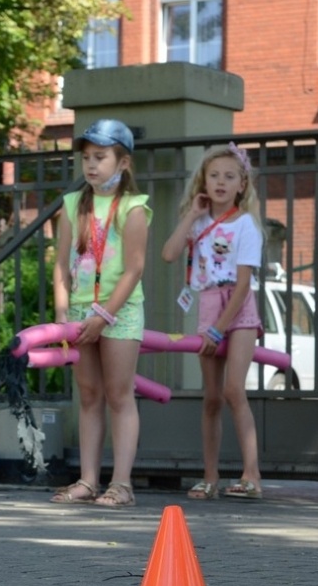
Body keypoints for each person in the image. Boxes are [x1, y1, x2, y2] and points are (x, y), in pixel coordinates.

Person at [49, 119, 151, 508]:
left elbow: (134, 269)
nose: (91, 166)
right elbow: (61, 265)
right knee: (89, 394)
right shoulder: (73, 205)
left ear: (123, 163)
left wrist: (104, 316)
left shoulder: (133, 208)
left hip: (118, 313)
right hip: (78, 312)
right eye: (86, 158)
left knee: (119, 394)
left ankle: (121, 483)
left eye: (101, 157)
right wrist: (63, 316)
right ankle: (88, 480)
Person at [161, 143, 265, 501]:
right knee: (211, 398)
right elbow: (169, 253)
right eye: (214, 175)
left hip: (237, 308)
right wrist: (191, 216)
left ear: (242, 184)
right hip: (207, 302)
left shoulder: (246, 225)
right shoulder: (200, 223)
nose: (221, 182)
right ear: (204, 181)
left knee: (234, 390)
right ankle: (210, 477)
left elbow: (242, 285)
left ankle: (251, 475)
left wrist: (220, 327)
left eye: (229, 176)